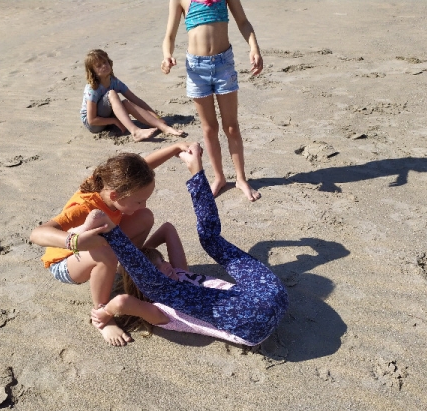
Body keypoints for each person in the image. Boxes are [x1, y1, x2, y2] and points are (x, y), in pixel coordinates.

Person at [82, 144, 288, 346]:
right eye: (157, 268)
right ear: (141, 290)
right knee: (159, 287)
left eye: (163, 260)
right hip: (250, 322)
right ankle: (108, 227)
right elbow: (122, 302)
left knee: (210, 240)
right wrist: (105, 312)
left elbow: (168, 230)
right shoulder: (161, 310)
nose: (166, 266)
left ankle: (196, 170)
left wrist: (146, 252)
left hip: (271, 292)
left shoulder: (180, 274)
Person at [29, 142, 197, 346]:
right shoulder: (84, 207)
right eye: (138, 201)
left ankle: (124, 270)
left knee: (145, 217)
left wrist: (174, 148)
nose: (142, 204)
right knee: (104, 252)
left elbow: (143, 167)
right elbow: (36, 234)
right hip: (65, 262)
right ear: (116, 195)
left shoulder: (111, 183)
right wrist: (74, 241)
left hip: (99, 243)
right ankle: (101, 317)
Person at [161, 0, 263, 201]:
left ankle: (241, 179)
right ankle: (219, 177)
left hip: (223, 64)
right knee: (209, 128)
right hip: (196, 69)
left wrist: (254, 47)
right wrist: (167, 56)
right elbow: (169, 35)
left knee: (231, 127)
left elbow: (243, 22)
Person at [81, 49, 185, 142]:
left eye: (105, 62)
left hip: (107, 117)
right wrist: (114, 120)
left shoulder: (114, 81)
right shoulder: (93, 88)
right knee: (112, 93)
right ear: (93, 72)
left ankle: (163, 128)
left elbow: (136, 100)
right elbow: (92, 120)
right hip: (94, 125)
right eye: (99, 66)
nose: (104, 66)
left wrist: (156, 116)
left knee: (126, 103)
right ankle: (135, 132)